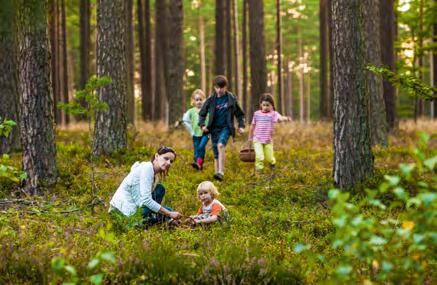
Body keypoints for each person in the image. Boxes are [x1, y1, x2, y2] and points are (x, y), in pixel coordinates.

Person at [108, 146, 182, 229]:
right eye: (166, 158)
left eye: (171, 161)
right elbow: (146, 200)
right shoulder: (147, 168)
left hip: (134, 206)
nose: (168, 163)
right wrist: (169, 214)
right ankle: (137, 223)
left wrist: (167, 213)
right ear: (157, 156)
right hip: (122, 211)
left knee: (160, 189)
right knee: (168, 210)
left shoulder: (154, 173)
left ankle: (153, 219)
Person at [198, 75, 245, 181]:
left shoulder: (231, 98)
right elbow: (202, 114)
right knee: (215, 154)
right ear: (214, 87)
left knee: (220, 145)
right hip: (213, 129)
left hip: (226, 127)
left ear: (225, 87)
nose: (219, 90)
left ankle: (221, 172)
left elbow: (240, 114)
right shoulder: (211, 100)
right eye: (217, 87)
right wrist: (202, 125)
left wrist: (241, 126)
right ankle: (217, 178)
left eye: (221, 87)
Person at [248, 93, 291, 171]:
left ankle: (272, 164)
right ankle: (259, 171)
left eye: (268, 105)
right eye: (264, 105)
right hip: (257, 139)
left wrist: (286, 118)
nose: (265, 107)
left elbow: (280, 118)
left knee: (269, 158)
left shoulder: (273, 114)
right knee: (259, 156)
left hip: (268, 140)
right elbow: (252, 125)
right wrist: (250, 137)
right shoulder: (256, 114)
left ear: (272, 105)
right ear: (261, 104)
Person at [182, 89, 209, 170]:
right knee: (196, 151)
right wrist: (191, 131)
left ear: (204, 100)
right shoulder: (191, 111)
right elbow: (185, 120)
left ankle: (199, 163)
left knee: (201, 147)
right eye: (197, 100)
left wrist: (210, 130)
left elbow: (211, 120)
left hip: (205, 133)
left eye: (201, 99)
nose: (199, 102)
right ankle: (198, 165)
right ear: (193, 101)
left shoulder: (207, 111)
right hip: (195, 134)